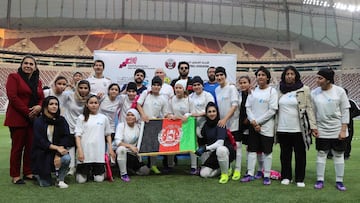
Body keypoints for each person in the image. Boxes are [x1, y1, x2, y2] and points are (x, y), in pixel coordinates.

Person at [4, 55, 45, 184]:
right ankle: (15, 175)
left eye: (31, 64)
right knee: (17, 148)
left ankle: (28, 171)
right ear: (21, 65)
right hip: (18, 118)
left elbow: (42, 97)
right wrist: (28, 112)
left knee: (30, 147)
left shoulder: (38, 81)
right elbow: (13, 97)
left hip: (33, 119)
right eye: (25, 63)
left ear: (35, 67)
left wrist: (39, 106)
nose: (28, 65)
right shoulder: (14, 77)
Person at [277, 66, 318, 187]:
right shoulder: (278, 90)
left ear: (296, 76)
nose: (289, 76)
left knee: (300, 155)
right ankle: (286, 176)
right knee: (285, 155)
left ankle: (300, 178)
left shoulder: (304, 89)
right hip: (282, 128)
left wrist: (313, 126)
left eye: (292, 74)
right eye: (287, 74)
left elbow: (309, 108)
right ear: (284, 76)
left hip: (299, 128)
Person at [311, 68, 350, 191]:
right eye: (317, 77)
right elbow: (312, 112)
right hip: (322, 129)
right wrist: (314, 127)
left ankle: (339, 181)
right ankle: (320, 180)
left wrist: (343, 129)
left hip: (337, 129)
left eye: (320, 78)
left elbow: (345, 110)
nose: (317, 80)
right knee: (321, 154)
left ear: (328, 80)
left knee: (338, 155)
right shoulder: (314, 93)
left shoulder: (340, 91)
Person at [241, 66, 278, 185]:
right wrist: (253, 121)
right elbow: (248, 107)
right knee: (252, 150)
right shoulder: (253, 92)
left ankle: (266, 175)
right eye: (258, 75)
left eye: (263, 75)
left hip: (266, 127)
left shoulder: (272, 91)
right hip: (254, 126)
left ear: (267, 77)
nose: (260, 77)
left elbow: (272, 110)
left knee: (267, 152)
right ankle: (250, 174)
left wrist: (258, 122)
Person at [32, 96, 72, 188]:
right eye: (51, 104)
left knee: (66, 158)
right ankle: (39, 174)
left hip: (57, 150)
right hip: (42, 151)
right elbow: (40, 141)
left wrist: (58, 153)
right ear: (45, 106)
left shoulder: (61, 120)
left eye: (56, 104)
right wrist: (56, 148)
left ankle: (60, 179)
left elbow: (66, 137)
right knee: (45, 184)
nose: (54, 106)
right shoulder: (39, 121)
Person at [74, 95, 116, 183]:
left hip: (98, 154)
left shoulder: (103, 118)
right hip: (85, 153)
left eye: (96, 103)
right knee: (81, 181)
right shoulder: (81, 118)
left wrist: (110, 149)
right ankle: (85, 172)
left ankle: (99, 172)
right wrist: (80, 151)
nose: (93, 105)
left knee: (99, 180)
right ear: (87, 105)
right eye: (91, 103)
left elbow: (108, 134)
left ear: (99, 104)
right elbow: (77, 136)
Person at [195, 102, 235, 184]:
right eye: (209, 112)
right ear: (206, 113)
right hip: (214, 154)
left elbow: (220, 143)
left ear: (217, 112)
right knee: (203, 174)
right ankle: (224, 168)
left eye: (214, 111)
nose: (212, 113)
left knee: (220, 149)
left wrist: (205, 148)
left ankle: (225, 174)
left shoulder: (221, 123)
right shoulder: (206, 125)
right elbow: (200, 136)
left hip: (226, 151)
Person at [137, 76, 170, 174]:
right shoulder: (145, 93)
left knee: (153, 146)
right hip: (142, 124)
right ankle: (140, 164)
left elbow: (165, 113)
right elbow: (138, 104)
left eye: (158, 85)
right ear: (151, 86)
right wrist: (143, 115)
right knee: (140, 145)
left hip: (154, 124)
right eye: (154, 85)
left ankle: (153, 165)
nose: (156, 87)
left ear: (161, 87)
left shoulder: (163, 99)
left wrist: (172, 116)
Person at [63, 80, 92, 175]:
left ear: (89, 89)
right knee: (71, 147)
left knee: (82, 147)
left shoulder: (90, 98)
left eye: (85, 88)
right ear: (77, 88)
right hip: (70, 126)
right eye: (81, 87)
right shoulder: (69, 95)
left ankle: (82, 165)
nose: (83, 90)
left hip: (83, 127)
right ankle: (71, 167)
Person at [214, 67, 239, 177]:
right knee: (226, 148)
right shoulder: (217, 90)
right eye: (217, 75)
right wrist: (221, 120)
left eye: (221, 75)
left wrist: (225, 119)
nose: (219, 77)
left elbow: (234, 105)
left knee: (236, 147)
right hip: (223, 125)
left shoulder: (231, 88)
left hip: (233, 122)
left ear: (225, 76)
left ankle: (237, 170)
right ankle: (228, 168)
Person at [114, 109, 150, 182]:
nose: (129, 117)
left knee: (145, 171)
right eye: (128, 115)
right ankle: (123, 174)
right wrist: (130, 146)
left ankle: (129, 169)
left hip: (133, 154)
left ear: (136, 117)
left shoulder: (139, 127)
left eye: (132, 115)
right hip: (120, 153)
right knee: (122, 149)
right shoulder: (121, 125)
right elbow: (118, 142)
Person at [189, 76, 214, 175]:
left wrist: (198, 114)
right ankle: (193, 166)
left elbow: (211, 109)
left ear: (202, 86)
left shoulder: (207, 95)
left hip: (205, 123)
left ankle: (205, 165)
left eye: (198, 84)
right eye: (194, 85)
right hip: (193, 124)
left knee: (204, 146)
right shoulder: (190, 96)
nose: (196, 87)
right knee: (193, 145)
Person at [232, 75, 252, 181]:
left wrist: (249, 119)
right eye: (241, 83)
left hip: (250, 124)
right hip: (239, 124)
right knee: (238, 146)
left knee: (250, 148)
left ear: (249, 83)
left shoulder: (253, 95)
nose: (243, 85)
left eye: (245, 82)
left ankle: (249, 170)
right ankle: (237, 169)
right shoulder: (238, 95)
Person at [343, 88, 360, 159]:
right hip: (336, 123)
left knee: (348, 139)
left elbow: (358, 111)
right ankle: (331, 154)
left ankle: (346, 154)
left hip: (348, 124)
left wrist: (350, 116)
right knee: (334, 138)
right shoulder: (335, 102)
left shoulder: (350, 102)